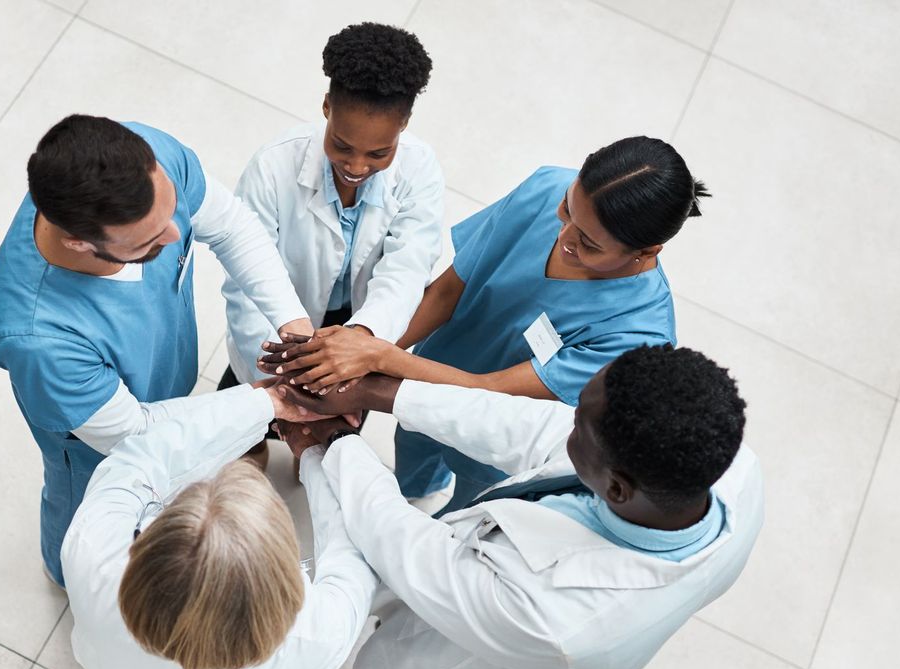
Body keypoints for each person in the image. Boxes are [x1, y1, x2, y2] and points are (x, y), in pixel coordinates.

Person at [274, 344, 761, 669]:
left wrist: (333, 444)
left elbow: (402, 544)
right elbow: (522, 426)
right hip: (490, 601)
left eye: (579, 427)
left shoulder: (556, 618)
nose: (566, 422)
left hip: (467, 664)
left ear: (616, 489)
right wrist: (376, 392)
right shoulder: (722, 464)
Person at [263, 137, 707, 509]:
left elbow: (492, 395)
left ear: (647, 252)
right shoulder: (544, 187)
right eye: (567, 210)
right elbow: (446, 292)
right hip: (414, 383)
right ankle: (417, 494)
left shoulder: (636, 335)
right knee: (412, 464)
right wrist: (358, 346)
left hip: (492, 444)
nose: (563, 237)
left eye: (587, 244)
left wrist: (379, 357)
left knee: (467, 516)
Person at [0, 115, 314, 587]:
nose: (176, 236)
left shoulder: (146, 156)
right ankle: (65, 576)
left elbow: (231, 227)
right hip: (96, 444)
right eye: (150, 242)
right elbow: (134, 436)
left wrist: (294, 324)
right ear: (79, 242)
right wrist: (269, 402)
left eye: (170, 213)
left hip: (162, 386)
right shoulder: (41, 338)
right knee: (85, 527)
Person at [60, 381, 375, 669]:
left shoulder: (91, 558)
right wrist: (318, 454)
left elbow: (143, 457)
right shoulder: (317, 639)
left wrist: (265, 401)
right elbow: (350, 551)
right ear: (279, 574)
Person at [218, 21, 443, 466]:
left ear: (405, 125)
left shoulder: (421, 172)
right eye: (342, 145)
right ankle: (251, 450)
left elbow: (406, 273)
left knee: (328, 434)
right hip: (275, 327)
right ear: (326, 107)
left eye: (379, 153)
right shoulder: (272, 167)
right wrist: (284, 369)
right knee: (244, 431)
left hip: (360, 323)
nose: (357, 165)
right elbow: (246, 281)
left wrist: (360, 340)